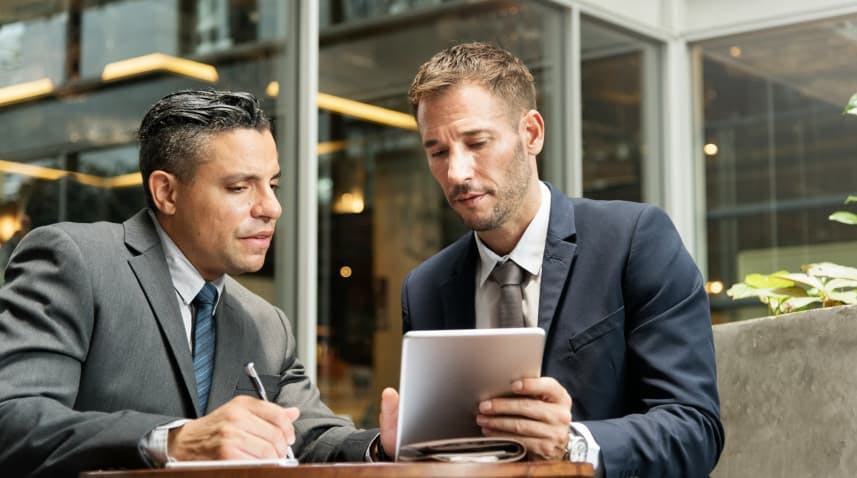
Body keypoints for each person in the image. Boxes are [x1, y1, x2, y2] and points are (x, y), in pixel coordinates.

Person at [0, 90, 394, 477]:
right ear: (166, 192)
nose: (271, 208)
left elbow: (311, 437)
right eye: (239, 187)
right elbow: (13, 419)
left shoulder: (267, 324)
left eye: (272, 185)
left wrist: (382, 446)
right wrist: (171, 441)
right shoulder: (76, 261)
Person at [395, 42, 724, 477]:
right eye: (437, 152)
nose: (456, 172)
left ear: (531, 133)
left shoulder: (634, 240)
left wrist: (575, 445)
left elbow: (695, 429)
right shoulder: (425, 288)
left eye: (477, 142)